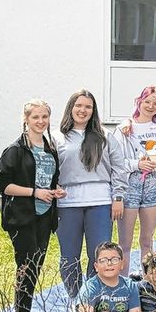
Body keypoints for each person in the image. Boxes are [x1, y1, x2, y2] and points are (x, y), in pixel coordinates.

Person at [54, 89, 127, 300]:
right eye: (78, 105)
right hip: (68, 203)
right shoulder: (57, 137)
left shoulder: (105, 136)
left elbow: (119, 168)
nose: (83, 110)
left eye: (88, 106)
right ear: (70, 108)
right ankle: (75, 299)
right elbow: (49, 168)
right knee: (69, 257)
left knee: (100, 256)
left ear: (93, 110)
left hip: (100, 202)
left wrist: (118, 197)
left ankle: (92, 300)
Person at [0, 99, 64, 312]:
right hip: (22, 216)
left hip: (45, 214)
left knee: (36, 264)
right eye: (35, 117)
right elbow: (2, 185)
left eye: (44, 117)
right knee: (26, 264)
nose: (40, 121)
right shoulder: (15, 150)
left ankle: (24, 311)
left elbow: (50, 180)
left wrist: (55, 190)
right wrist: (34, 192)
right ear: (26, 119)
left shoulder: (50, 148)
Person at [113, 86, 156, 275]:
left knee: (147, 240)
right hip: (130, 186)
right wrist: (137, 164)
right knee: (125, 242)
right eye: (147, 101)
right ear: (139, 101)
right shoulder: (124, 128)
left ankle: (148, 281)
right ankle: (122, 283)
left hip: (154, 186)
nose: (151, 106)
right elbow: (117, 161)